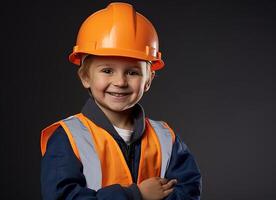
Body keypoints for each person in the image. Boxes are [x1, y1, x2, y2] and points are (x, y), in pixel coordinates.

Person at [40, 2, 201, 200]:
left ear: (149, 79)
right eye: (107, 70)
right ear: (85, 77)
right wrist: (136, 195)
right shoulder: (68, 138)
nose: (120, 82)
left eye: (133, 72)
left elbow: (189, 191)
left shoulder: (166, 138)